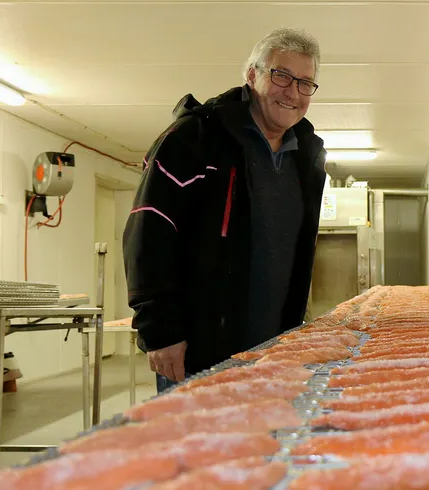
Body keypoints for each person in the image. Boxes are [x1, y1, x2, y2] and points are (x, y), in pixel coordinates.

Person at [122, 28, 328, 393]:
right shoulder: (195, 138)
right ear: (252, 75)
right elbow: (149, 231)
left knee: (268, 444)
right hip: (199, 347)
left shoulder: (307, 156)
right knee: (200, 446)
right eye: (281, 75)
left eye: (305, 82)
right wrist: (160, 330)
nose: (292, 92)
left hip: (276, 349)